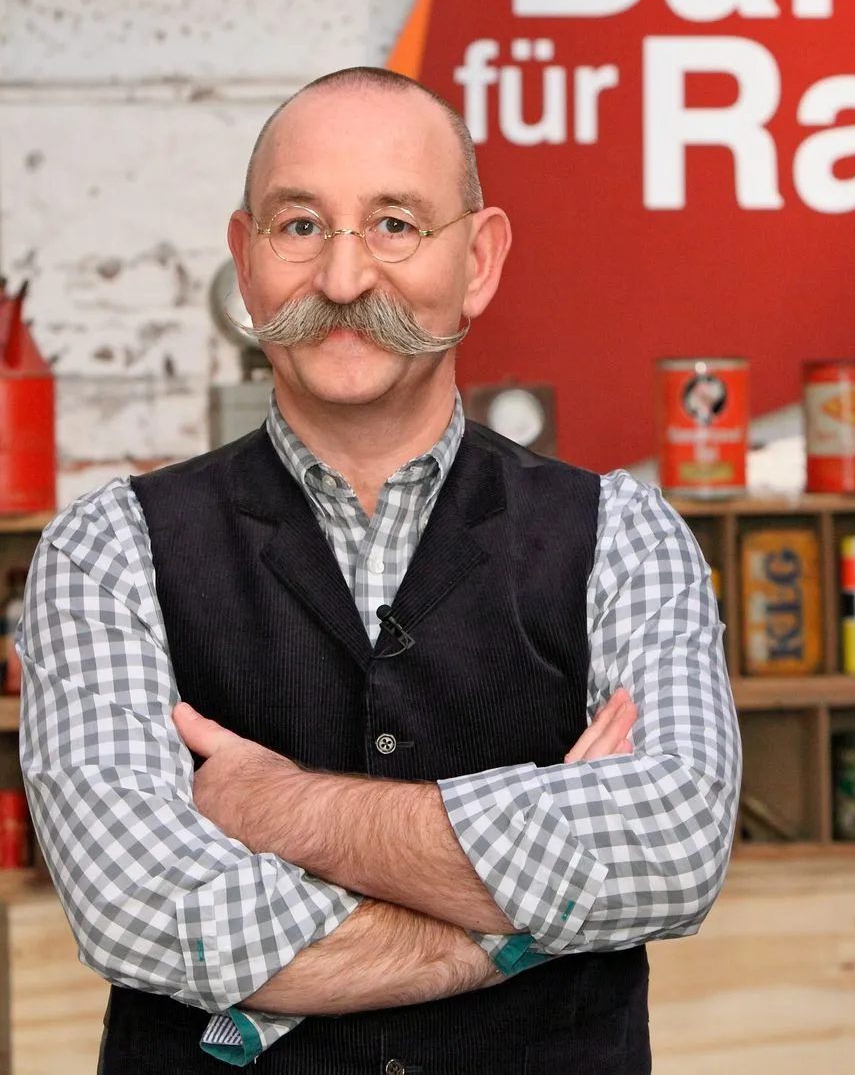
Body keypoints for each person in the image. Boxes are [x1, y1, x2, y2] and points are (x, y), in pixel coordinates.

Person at [16, 66, 742, 1074]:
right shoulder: (105, 550)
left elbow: (671, 851)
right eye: (300, 226)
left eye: (395, 224)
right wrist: (516, 928)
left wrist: (280, 808)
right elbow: (150, 912)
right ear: (246, 259)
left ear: (478, 260)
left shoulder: (625, 533)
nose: (345, 278)